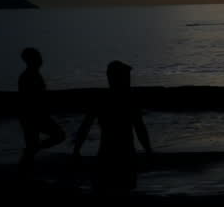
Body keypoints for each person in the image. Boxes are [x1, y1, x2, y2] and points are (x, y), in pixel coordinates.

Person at [72, 60, 152, 195]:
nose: (129, 80)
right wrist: (149, 151)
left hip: (107, 156)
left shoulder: (102, 100)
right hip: (125, 157)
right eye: (126, 77)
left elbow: (85, 127)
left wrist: (76, 150)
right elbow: (140, 128)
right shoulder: (129, 100)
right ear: (118, 78)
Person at [18, 47, 65, 178]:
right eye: (38, 57)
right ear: (32, 60)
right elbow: (30, 98)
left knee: (34, 146)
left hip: (34, 116)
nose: (41, 59)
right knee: (57, 136)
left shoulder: (33, 75)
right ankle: (25, 170)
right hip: (32, 116)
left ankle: (26, 168)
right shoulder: (28, 76)